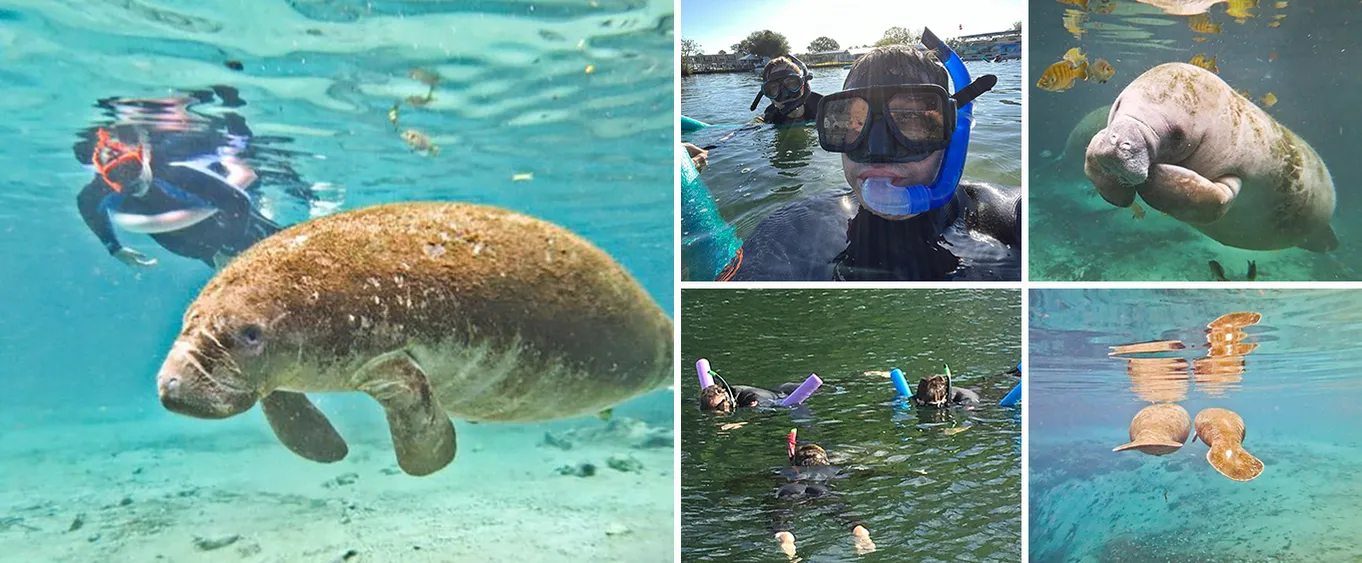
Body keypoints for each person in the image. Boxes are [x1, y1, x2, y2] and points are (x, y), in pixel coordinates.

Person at [715, 29, 1021, 281]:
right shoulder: (787, 234)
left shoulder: (1009, 219)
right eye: (852, 123)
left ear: (952, 131)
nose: (877, 151)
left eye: (909, 119)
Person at [73, 90, 301, 270]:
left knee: (289, 251)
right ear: (103, 175)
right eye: (116, 175)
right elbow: (88, 208)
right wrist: (113, 247)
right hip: (204, 250)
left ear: (144, 157)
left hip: (236, 233)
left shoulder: (176, 173)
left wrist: (228, 249)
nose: (129, 180)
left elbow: (237, 202)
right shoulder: (97, 191)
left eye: (132, 168)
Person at [770, 430, 875, 557]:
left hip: (791, 488)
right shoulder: (835, 469)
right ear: (826, 460)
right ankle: (859, 531)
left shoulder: (783, 471)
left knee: (781, 520)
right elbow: (865, 473)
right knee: (844, 514)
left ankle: (785, 538)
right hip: (821, 489)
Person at [749, 55, 823, 125]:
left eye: (792, 83)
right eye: (774, 87)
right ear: (770, 98)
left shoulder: (824, 108)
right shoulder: (768, 119)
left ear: (803, 86)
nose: (785, 94)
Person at [698, 380, 802, 413]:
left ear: (726, 396)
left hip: (791, 393)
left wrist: (740, 424)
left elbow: (763, 413)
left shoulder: (748, 397)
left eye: (720, 406)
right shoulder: (729, 394)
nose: (718, 412)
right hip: (777, 390)